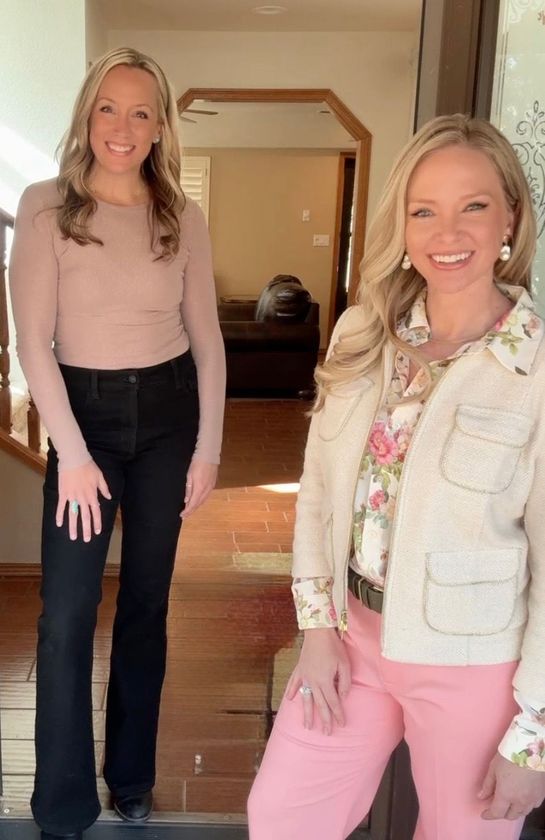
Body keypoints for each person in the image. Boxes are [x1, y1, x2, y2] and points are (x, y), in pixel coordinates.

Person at [247, 114, 545, 840]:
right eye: (424, 210)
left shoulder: (532, 367)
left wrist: (534, 732)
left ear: (510, 214)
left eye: (473, 205)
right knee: (282, 816)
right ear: (402, 226)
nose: (448, 232)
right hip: (351, 639)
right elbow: (318, 489)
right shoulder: (362, 333)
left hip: (469, 661)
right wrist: (317, 629)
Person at [9, 46, 225, 840]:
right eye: (109, 108)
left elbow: (207, 341)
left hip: (167, 416)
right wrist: (70, 454)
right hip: (83, 419)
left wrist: (208, 448)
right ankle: (62, 804)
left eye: (141, 112)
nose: (123, 127)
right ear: (86, 116)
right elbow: (33, 342)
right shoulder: (42, 207)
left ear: (161, 126)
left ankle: (131, 779)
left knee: (146, 604)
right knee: (66, 614)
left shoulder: (181, 216)